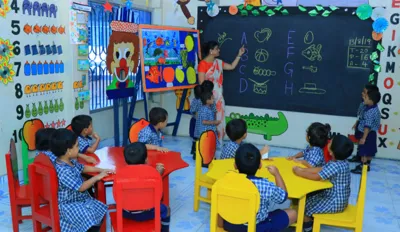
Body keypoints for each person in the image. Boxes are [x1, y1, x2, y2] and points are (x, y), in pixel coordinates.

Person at [223, 143, 297, 231]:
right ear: (260, 165)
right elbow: (282, 197)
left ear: (235, 165)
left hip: (232, 225)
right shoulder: (264, 185)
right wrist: (277, 174)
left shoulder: (227, 181)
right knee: (293, 213)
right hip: (257, 228)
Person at [51, 129, 113, 232]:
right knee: (90, 217)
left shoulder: (69, 161)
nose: (79, 149)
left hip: (79, 200)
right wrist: (97, 177)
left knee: (99, 209)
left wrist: (101, 170)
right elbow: (81, 187)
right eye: (77, 146)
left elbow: (83, 168)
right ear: (68, 151)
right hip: (68, 205)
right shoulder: (64, 170)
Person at [293, 135, 353, 232]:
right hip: (337, 199)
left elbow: (317, 177)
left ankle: (308, 228)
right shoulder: (340, 162)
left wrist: (299, 172)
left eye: (330, 142)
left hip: (334, 202)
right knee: (308, 199)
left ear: (332, 150)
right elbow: (321, 169)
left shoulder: (335, 165)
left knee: (304, 208)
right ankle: (308, 220)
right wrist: (304, 170)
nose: (328, 142)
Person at [198, 41, 245, 145]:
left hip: (219, 98)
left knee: (219, 119)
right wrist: (207, 99)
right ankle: (206, 143)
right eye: (216, 48)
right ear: (211, 51)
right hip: (207, 99)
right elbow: (202, 84)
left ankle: (218, 142)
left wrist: (239, 55)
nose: (219, 50)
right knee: (208, 120)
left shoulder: (218, 63)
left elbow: (232, 66)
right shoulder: (202, 64)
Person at [123, 142, 170, 232]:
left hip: (125, 212)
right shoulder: (149, 175)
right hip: (143, 213)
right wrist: (158, 174)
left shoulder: (122, 174)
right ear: (146, 160)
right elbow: (156, 194)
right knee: (166, 209)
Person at [351, 88, 381, 174]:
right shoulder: (372, 108)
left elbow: (367, 126)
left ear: (371, 101)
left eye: (366, 97)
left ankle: (363, 167)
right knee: (368, 150)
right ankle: (366, 165)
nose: (364, 98)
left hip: (367, 134)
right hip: (371, 134)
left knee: (364, 151)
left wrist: (363, 138)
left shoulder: (370, 112)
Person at [189, 85, 203, 157]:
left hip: (195, 120)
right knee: (199, 137)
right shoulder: (203, 101)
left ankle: (193, 150)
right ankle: (196, 151)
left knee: (195, 137)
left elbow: (191, 110)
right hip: (199, 122)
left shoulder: (194, 100)